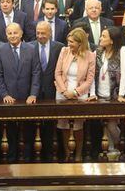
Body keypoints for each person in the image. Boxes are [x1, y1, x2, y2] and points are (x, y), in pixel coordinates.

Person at [0, 23, 41, 162]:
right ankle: (12, 160)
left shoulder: (32, 49)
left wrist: (33, 94)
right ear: (6, 35)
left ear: (21, 34)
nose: (12, 36)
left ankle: (28, 160)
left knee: (28, 132)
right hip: (9, 99)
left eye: (15, 33)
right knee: (11, 132)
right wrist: (4, 95)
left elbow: (36, 73)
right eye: (9, 33)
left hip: (28, 99)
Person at [87, 27, 125, 159]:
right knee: (104, 124)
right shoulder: (98, 52)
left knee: (112, 124)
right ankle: (111, 150)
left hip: (115, 95)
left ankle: (119, 145)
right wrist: (92, 93)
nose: (100, 38)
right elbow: (92, 74)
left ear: (112, 40)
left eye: (104, 36)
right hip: (100, 95)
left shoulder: (122, 51)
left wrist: (121, 95)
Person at [54, 28, 95, 162]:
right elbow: (57, 73)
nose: (69, 44)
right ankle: (67, 154)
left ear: (80, 42)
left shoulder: (90, 56)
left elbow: (89, 79)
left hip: (79, 94)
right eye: (68, 41)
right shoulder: (64, 51)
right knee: (64, 125)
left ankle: (78, 155)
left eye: (71, 42)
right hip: (62, 93)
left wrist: (76, 92)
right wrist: (64, 91)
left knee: (78, 127)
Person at [29, 21, 64, 161]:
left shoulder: (60, 47)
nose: (40, 36)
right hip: (33, 92)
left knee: (51, 125)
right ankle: (33, 155)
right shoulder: (29, 47)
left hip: (52, 91)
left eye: (43, 33)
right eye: (38, 33)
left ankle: (51, 155)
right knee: (32, 124)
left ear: (50, 33)